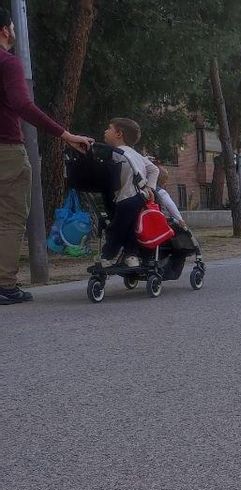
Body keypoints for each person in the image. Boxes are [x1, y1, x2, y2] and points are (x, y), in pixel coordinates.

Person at [0, 7, 93, 305]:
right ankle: (4, 285)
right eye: (13, 26)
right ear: (5, 29)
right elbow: (22, 104)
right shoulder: (8, 63)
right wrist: (65, 135)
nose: (14, 31)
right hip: (5, 152)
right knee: (10, 218)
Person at [101, 117, 158, 268]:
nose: (105, 131)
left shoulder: (116, 153)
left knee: (117, 228)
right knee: (130, 226)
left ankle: (108, 256)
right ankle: (131, 256)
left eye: (109, 128)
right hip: (139, 197)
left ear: (119, 134)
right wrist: (150, 188)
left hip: (126, 197)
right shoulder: (135, 154)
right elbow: (154, 169)